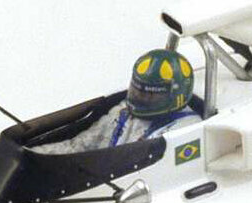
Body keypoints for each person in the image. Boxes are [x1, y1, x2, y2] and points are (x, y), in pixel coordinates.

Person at [35, 49, 201, 153]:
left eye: (150, 94)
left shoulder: (185, 131)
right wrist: (33, 155)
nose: (140, 98)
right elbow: (79, 146)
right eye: (137, 90)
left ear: (176, 95)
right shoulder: (123, 111)